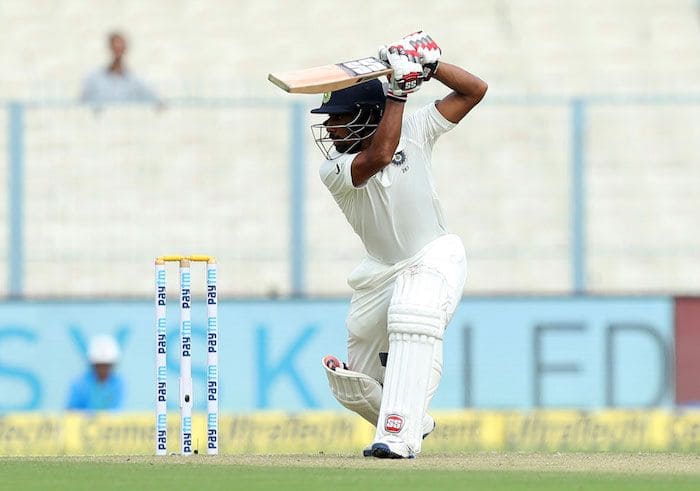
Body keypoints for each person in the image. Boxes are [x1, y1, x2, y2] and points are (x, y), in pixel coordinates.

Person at [313, 32, 487, 459]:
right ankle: (416, 420)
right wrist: (397, 91)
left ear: (369, 115)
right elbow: (379, 157)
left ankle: (397, 437)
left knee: (415, 312)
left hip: (434, 254)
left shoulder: (415, 126)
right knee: (353, 384)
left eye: (340, 117)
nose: (331, 127)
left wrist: (430, 64)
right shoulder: (334, 168)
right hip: (379, 272)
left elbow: (474, 90)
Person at [80, 31, 160, 105]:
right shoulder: (94, 79)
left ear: (125, 49)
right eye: (115, 48)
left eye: (120, 48)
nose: (117, 52)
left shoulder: (135, 81)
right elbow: (83, 105)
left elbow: (154, 100)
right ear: (110, 48)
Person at [67, 334, 125, 410]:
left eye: (106, 366)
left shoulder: (118, 383)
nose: (103, 370)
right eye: (99, 366)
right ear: (92, 365)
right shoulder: (79, 384)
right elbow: (70, 411)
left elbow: (115, 410)